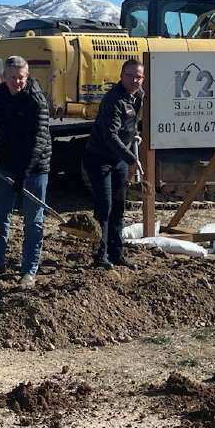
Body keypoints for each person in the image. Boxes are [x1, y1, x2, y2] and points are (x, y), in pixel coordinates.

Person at [0, 55, 52, 288]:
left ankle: (29, 270)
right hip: (6, 162)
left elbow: (39, 140)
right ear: (3, 77)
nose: (17, 82)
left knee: (33, 221)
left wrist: (24, 173)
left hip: (35, 167)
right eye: (13, 78)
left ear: (27, 77)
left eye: (21, 78)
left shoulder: (36, 100)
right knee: (0, 216)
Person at [84, 58, 145, 270]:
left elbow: (131, 125)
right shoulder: (114, 100)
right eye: (130, 75)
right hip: (99, 158)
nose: (135, 80)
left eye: (139, 76)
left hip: (119, 158)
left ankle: (116, 253)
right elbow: (110, 136)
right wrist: (132, 159)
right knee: (105, 206)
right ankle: (99, 255)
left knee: (119, 206)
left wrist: (134, 140)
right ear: (121, 76)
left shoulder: (138, 97)